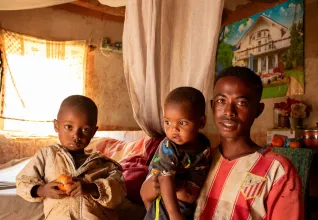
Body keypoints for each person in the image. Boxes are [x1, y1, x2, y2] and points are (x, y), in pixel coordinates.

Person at [142, 66, 304, 220]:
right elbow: (149, 193)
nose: (229, 111)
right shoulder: (199, 160)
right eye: (221, 100)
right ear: (212, 107)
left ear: (258, 110)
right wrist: (151, 188)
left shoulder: (277, 170)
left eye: (241, 103)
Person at [16, 95, 126, 220]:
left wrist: (91, 188)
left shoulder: (103, 163)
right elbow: (22, 181)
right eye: (69, 127)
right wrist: (42, 190)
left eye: (85, 129)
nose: (76, 135)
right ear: (56, 126)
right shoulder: (47, 155)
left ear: (94, 132)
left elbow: (120, 191)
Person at [141, 87, 212, 220]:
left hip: (186, 202)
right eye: (167, 122)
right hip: (166, 200)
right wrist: (175, 215)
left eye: (182, 123)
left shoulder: (204, 144)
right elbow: (164, 179)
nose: (173, 129)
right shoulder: (169, 146)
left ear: (201, 122)